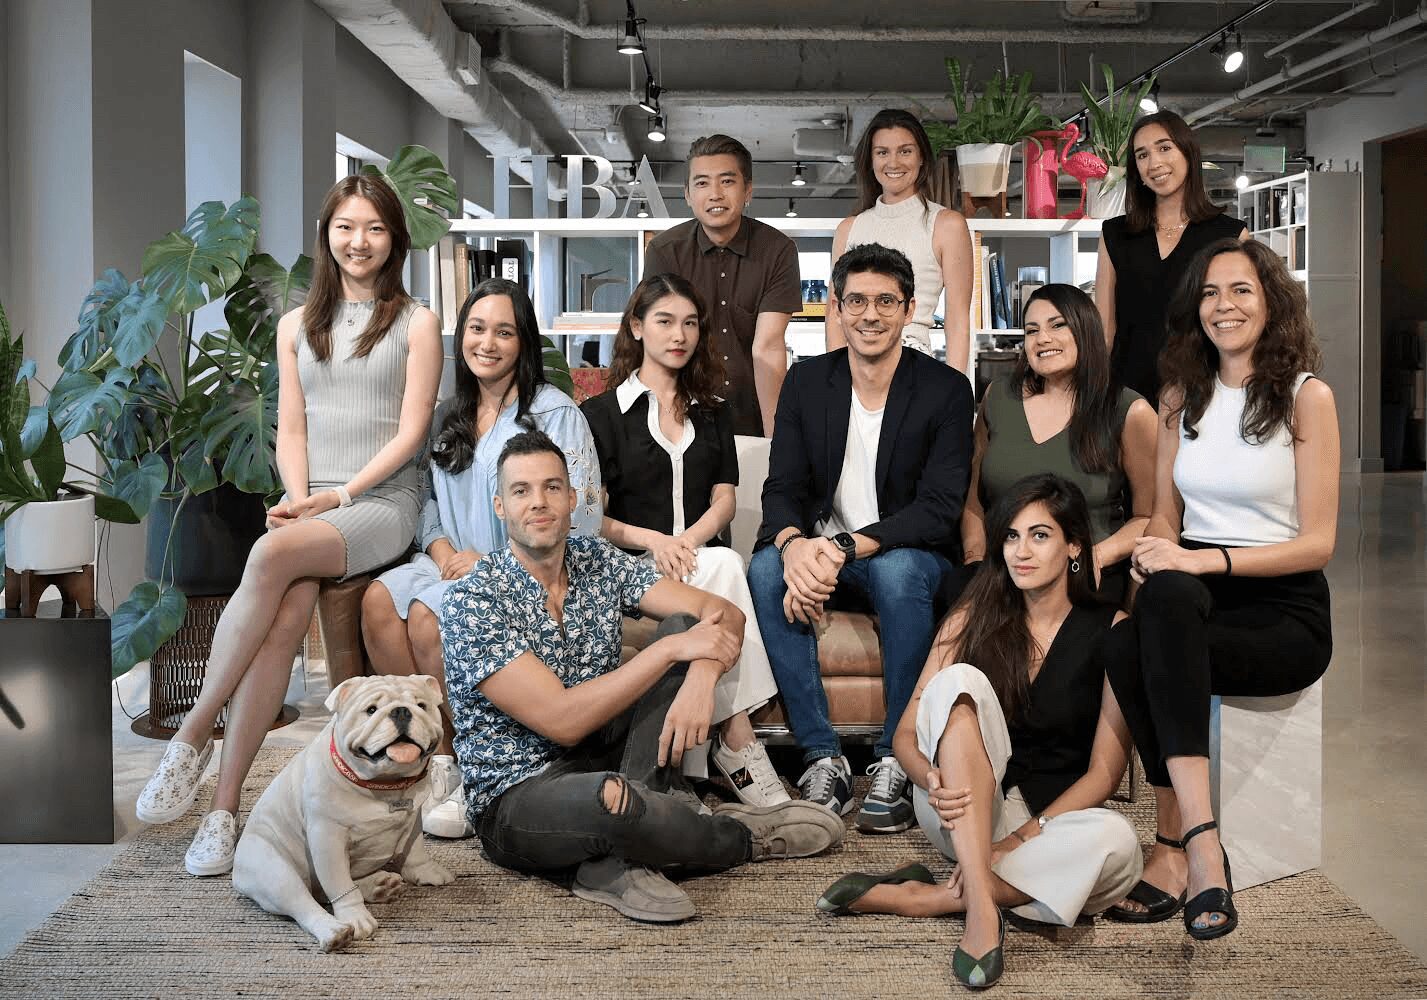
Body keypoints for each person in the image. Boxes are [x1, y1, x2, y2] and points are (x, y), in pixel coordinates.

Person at [135, 175, 444, 876]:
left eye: (374, 228)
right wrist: (301, 497)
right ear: (326, 234)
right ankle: (223, 812)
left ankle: (192, 733)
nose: (358, 241)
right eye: (345, 227)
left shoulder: (416, 322)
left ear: (394, 239)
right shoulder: (294, 325)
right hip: (312, 506)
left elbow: (411, 433)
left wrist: (333, 500)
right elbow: (293, 429)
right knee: (283, 615)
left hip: (381, 501)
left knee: (272, 555)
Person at [441, 430, 844, 924]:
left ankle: (626, 848)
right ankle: (739, 838)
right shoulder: (473, 600)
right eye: (521, 491)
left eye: (552, 487)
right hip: (519, 793)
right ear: (501, 506)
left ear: (572, 499)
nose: (539, 502)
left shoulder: (596, 559)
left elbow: (724, 614)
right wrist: (671, 651)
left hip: (608, 752)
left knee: (682, 624)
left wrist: (701, 680)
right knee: (608, 798)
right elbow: (561, 720)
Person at [817, 474, 1142, 991]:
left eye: (1040, 535)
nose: (1021, 551)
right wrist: (929, 780)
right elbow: (905, 736)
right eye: (1011, 536)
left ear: (1075, 545)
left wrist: (1016, 840)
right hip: (958, 806)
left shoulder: (1113, 628)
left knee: (1119, 845)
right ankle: (982, 915)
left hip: (1047, 822)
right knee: (958, 682)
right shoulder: (972, 616)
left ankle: (936, 896)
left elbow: (1104, 774)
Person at [1102, 238, 1339, 940]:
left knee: (1157, 621)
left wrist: (1207, 562)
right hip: (1193, 597)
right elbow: (1166, 517)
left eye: (1240, 290)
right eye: (1209, 293)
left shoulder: (1306, 398)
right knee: (1131, 636)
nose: (1222, 306)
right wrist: (1157, 553)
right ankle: (1196, 843)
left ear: (1271, 303)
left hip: (1283, 609)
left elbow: (1318, 543)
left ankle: (1181, 844)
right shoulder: (1180, 397)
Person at [360, 277, 603, 840]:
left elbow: (581, 513)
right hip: (448, 556)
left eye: (503, 332)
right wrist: (442, 548)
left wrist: (493, 562)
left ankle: (468, 766)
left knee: (431, 615)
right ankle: (430, 756)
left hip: (524, 567)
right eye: (476, 328)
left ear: (524, 341)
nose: (486, 343)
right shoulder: (449, 414)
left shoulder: (555, 414)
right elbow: (424, 499)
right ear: (461, 336)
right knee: (378, 601)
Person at [748, 242, 974, 833]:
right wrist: (794, 546)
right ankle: (821, 757)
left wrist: (841, 546)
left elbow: (939, 509)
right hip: (825, 555)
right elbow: (782, 488)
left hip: (903, 556)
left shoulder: (946, 389)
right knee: (765, 570)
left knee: (899, 572)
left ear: (909, 309)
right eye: (856, 301)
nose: (870, 315)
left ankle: (895, 757)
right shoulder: (806, 382)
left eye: (885, 302)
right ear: (837, 308)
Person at [581, 273, 787, 806]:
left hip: (696, 560)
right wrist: (658, 543)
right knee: (725, 567)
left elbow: (724, 499)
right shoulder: (601, 415)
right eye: (665, 321)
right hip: (632, 571)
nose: (679, 335)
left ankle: (691, 761)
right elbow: (590, 519)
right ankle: (737, 739)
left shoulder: (713, 409)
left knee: (719, 563)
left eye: (690, 323)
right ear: (636, 327)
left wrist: (686, 543)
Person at [961, 284, 1156, 605]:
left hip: (1084, 574)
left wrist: (1097, 557)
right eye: (1032, 330)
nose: (1043, 338)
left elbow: (1150, 516)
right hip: (1002, 571)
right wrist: (975, 562)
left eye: (1057, 325)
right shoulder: (997, 396)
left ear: (1086, 330)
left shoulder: (1129, 410)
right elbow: (974, 502)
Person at [642, 134, 802, 437]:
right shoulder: (665, 252)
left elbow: (767, 347)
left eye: (727, 181)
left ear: (748, 190)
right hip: (683, 414)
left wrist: (776, 441)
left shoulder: (777, 250)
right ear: (688, 194)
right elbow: (659, 343)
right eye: (702, 183)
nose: (715, 194)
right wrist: (663, 429)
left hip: (753, 413)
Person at [1095, 110, 1247, 408]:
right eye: (1142, 155)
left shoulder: (1231, 235)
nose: (1154, 163)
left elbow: (1244, 326)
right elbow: (1104, 331)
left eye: (1164, 148)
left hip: (1205, 393)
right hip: (1127, 395)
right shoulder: (1115, 234)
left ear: (1188, 152)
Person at [826, 108, 973, 372]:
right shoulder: (849, 228)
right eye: (882, 152)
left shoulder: (947, 225)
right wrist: (834, 381)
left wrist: (957, 387)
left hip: (915, 367)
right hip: (856, 368)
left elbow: (958, 318)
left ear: (922, 157)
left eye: (905, 151)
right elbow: (834, 316)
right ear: (870, 160)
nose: (893, 163)